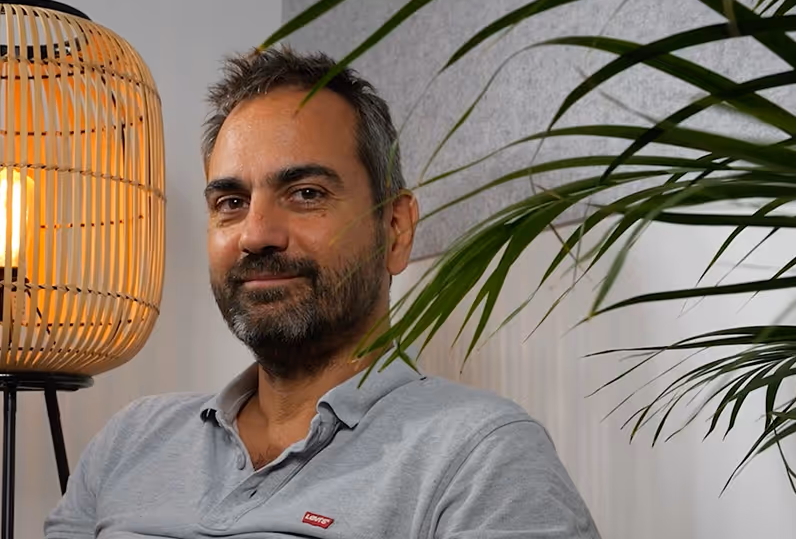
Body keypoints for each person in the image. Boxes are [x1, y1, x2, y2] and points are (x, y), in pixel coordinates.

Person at [44, 46, 601, 539]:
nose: (256, 234)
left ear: (396, 229)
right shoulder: (130, 439)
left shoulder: (482, 457)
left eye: (306, 192)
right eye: (231, 203)